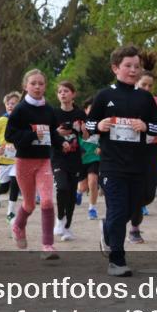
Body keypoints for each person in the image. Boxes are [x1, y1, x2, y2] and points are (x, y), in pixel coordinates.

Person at [86, 45, 157, 277]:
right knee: (118, 211)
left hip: (138, 164)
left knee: (130, 210)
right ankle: (117, 261)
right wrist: (99, 125)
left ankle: (108, 230)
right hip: (112, 164)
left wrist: (146, 126)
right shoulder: (104, 96)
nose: (133, 70)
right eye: (128, 66)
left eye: (136, 66)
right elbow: (88, 125)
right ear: (115, 68)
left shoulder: (145, 97)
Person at [6, 69, 62, 258]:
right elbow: (9, 135)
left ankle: (48, 245)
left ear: (45, 86)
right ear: (25, 86)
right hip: (24, 162)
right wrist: (31, 135)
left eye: (41, 83)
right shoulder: (20, 110)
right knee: (29, 205)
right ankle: (18, 225)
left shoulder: (49, 110)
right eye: (33, 83)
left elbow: (52, 133)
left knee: (46, 201)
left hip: (44, 160)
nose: (37, 87)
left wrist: (63, 143)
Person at [131, 65, 157, 243]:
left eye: (150, 86)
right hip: (131, 149)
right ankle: (134, 229)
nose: (147, 88)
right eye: (143, 84)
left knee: (148, 194)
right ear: (136, 83)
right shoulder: (127, 100)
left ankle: (131, 217)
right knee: (135, 191)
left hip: (151, 148)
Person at [52, 81, 86, 242]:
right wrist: (57, 133)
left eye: (66, 91)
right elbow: (47, 134)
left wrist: (82, 130)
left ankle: (67, 227)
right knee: (62, 188)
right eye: (60, 92)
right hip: (58, 158)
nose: (63, 94)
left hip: (75, 158)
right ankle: (60, 219)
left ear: (73, 94)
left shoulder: (80, 114)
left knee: (72, 195)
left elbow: (87, 136)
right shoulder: (53, 113)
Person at [0, 92, 22, 223]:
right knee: (4, 188)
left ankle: (10, 212)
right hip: (3, 160)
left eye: (14, 103)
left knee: (15, 182)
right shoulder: (1, 121)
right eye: (8, 103)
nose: (10, 106)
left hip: (17, 159)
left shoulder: (22, 121)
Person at [79, 99, 102, 220]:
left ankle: (92, 208)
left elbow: (106, 138)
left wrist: (101, 147)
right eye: (90, 108)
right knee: (83, 187)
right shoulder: (80, 123)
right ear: (85, 110)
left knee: (93, 182)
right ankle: (78, 193)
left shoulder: (100, 124)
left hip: (94, 157)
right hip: (81, 158)